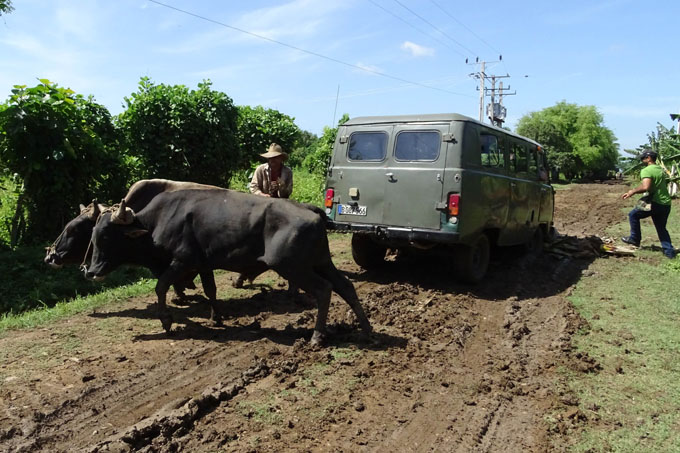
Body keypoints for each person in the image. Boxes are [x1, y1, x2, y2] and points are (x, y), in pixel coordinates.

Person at [621, 149, 676, 258]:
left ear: (649, 158)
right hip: (666, 203)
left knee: (633, 215)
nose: (642, 160)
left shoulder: (647, 170)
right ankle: (669, 252)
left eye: (643, 158)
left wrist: (632, 191)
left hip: (656, 202)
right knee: (661, 227)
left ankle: (634, 239)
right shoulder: (660, 169)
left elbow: (646, 187)